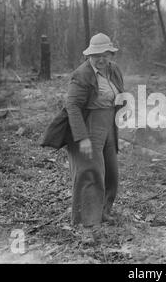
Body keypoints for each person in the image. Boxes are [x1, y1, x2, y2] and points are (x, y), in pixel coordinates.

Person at [44, 33, 125, 243]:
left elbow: (119, 95)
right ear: (90, 55)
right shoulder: (82, 75)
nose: (101, 58)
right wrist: (83, 138)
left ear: (110, 54)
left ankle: (104, 211)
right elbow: (72, 106)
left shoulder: (113, 70)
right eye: (96, 55)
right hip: (87, 124)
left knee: (111, 172)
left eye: (105, 54)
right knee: (90, 172)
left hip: (108, 125)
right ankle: (88, 224)